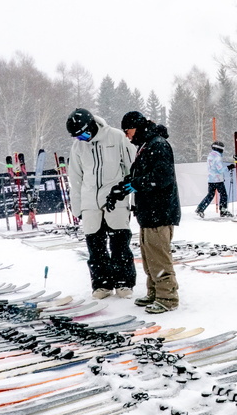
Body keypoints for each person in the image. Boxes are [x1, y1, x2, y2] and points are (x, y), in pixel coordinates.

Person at [106, 111, 181, 314]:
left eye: (127, 130)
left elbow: (162, 176)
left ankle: (168, 297)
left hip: (160, 211)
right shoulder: (145, 146)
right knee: (149, 256)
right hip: (148, 212)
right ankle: (155, 291)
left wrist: (135, 184)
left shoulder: (158, 144)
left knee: (159, 256)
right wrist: (120, 190)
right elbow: (137, 175)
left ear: (136, 127)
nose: (126, 135)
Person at [67, 108, 137, 298]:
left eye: (83, 134)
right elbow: (75, 178)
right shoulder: (78, 147)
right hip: (90, 202)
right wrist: (78, 206)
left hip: (116, 200)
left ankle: (124, 282)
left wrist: (133, 197)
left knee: (119, 244)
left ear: (90, 125)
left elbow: (133, 168)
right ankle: (102, 283)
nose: (82, 139)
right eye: (77, 137)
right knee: (95, 247)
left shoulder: (116, 137)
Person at [196, 140, 232, 218]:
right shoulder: (218, 157)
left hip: (211, 179)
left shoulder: (210, 156)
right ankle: (223, 210)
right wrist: (229, 167)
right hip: (218, 180)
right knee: (223, 195)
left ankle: (200, 209)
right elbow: (220, 169)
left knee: (210, 195)